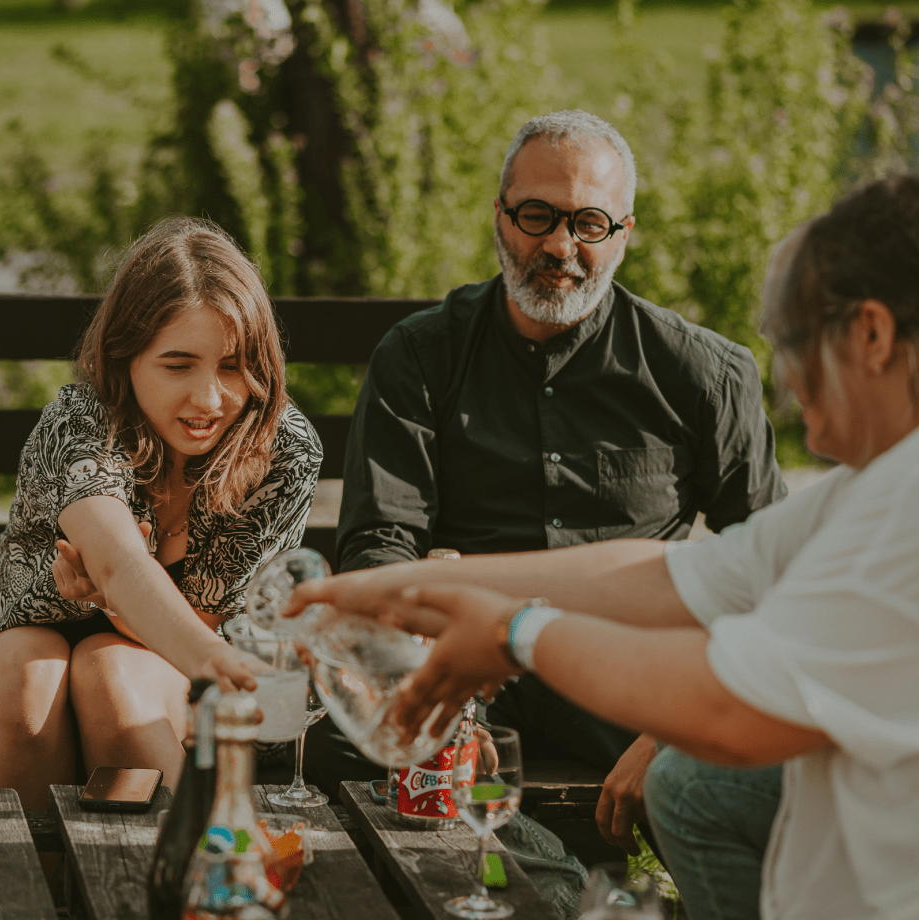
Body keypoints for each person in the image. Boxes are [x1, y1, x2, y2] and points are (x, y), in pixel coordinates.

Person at [289, 173, 919, 920]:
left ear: (873, 336)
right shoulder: (870, 490)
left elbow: (730, 710)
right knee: (696, 789)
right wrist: (396, 593)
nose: (783, 381)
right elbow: (668, 572)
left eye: (791, 345)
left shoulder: (901, 511)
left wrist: (516, 631)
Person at [321, 108, 786, 859]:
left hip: (627, 683)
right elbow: (380, 547)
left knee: (734, 768)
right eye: (536, 215)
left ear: (624, 232)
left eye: (588, 223)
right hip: (465, 668)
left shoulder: (704, 375)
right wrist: (440, 695)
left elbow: (769, 572)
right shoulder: (419, 357)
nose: (559, 246)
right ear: (499, 216)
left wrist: (667, 733)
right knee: (328, 758)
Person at [0, 217, 322, 817]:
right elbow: (115, 559)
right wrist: (222, 665)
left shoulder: (284, 451)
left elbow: (193, 618)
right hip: (38, 630)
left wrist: (114, 607)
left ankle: (174, 878)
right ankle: (28, 886)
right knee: (25, 675)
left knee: (113, 675)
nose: (209, 398)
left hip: (164, 650)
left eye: (231, 365)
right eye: (178, 365)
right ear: (125, 358)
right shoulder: (82, 421)